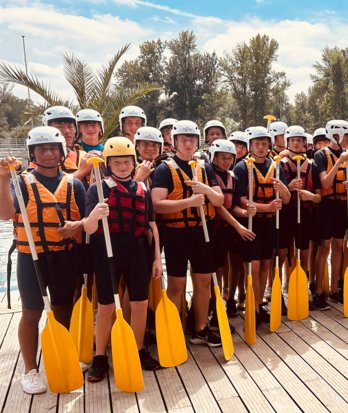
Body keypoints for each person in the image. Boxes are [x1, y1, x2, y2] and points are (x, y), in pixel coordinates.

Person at [0, 126, 86, 394]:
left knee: (63, 309)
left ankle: (61, 352)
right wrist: (3, 180)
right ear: (32, 153)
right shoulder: (20, 182)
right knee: (31, 312)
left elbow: (85, 222)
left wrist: (77, 226)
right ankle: (30, 370)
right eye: (41, 149)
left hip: (64, 255)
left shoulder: (75, 184)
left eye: (52, 148)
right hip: (31, 256)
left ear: (62, 152)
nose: (48, 153)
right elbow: (4, 214)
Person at [84, 137, 162, 381]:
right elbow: (87, 228)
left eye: (127, 161)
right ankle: (99, 357)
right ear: (108, 163)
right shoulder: (97, 188)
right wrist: (96, 214)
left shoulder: (143, 189)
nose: (122, 166)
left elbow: (151, 224)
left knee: (139, 304)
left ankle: (138, 349)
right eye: (116, 162)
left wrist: (157, 257)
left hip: (137, 251)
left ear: (133, 162)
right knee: (106, 307)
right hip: (107, 252)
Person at [151, 120, 224, 346]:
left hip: (202, 232)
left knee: (203, 282)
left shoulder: (205, 167)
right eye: (183, 139)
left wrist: (205, 190)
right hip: (176, 234)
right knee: (176, 284)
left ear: (197, 142)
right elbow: (157, 204)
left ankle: (200, 329)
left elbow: (219, 200)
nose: (188, 143)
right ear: (174, 143)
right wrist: (189, 202)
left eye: (192, 139)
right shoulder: (164, 169)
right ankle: (173, 329)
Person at [233, 126, 290, 325]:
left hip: (269, 226)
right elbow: (240, 200)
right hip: (251, 224)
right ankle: (253, 308)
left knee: (266, 264)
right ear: (250, 146)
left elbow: (288, 199)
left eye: (264, 144)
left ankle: (259, 305)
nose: (260, 148)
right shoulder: (241, 167)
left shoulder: (276, 166)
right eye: (257, 144)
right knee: (254, 267)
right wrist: (267, 207)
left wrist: (282, 187)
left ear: (269, 146)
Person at [207, 139, 256, 321]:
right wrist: (239, 225)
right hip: (213, 228)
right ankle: (215, 303)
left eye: (229, 158)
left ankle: (230, 301)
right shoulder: (208, 173)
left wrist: (245, 211)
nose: (226, 161)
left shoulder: (233, 177)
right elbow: (218, 206)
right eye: (222, 157)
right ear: (213, 157)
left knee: (233, 262)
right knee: (218, 268)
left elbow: (233, 206)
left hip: (229, 228)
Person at [278, 126, 321, 301]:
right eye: (292, 140)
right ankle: (277, 288)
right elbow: (276, 194)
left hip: (305, 215)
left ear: (304, 143)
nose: (296, 143)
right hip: (286, 215)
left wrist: (310, 196)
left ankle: (304, 287)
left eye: (299, 140)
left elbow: (319, 197)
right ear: (288, 143)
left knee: (304, 253)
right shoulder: (279, 165)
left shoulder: (313, 166)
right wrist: (289, 187)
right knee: (282, 254)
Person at [313, 119, 348, 309]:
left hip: (342, 205)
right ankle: (319, 291)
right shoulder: (321, 155)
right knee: (324, 246)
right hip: (326, 205)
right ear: (338, 135)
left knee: (338, 245)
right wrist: (340, 162)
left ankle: (334, 289)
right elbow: (325, 183)